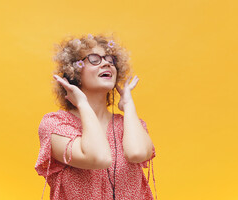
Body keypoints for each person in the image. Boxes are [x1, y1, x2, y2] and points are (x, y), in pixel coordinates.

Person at [35, 33, 156, 200]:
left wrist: (128, 106)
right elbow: (98, 158)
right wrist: (83, 104)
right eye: (94, 58)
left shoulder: (132, 124)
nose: (106, 63)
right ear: (74, 72)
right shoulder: (56, 124)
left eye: (110, 59)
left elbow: (137, 153)